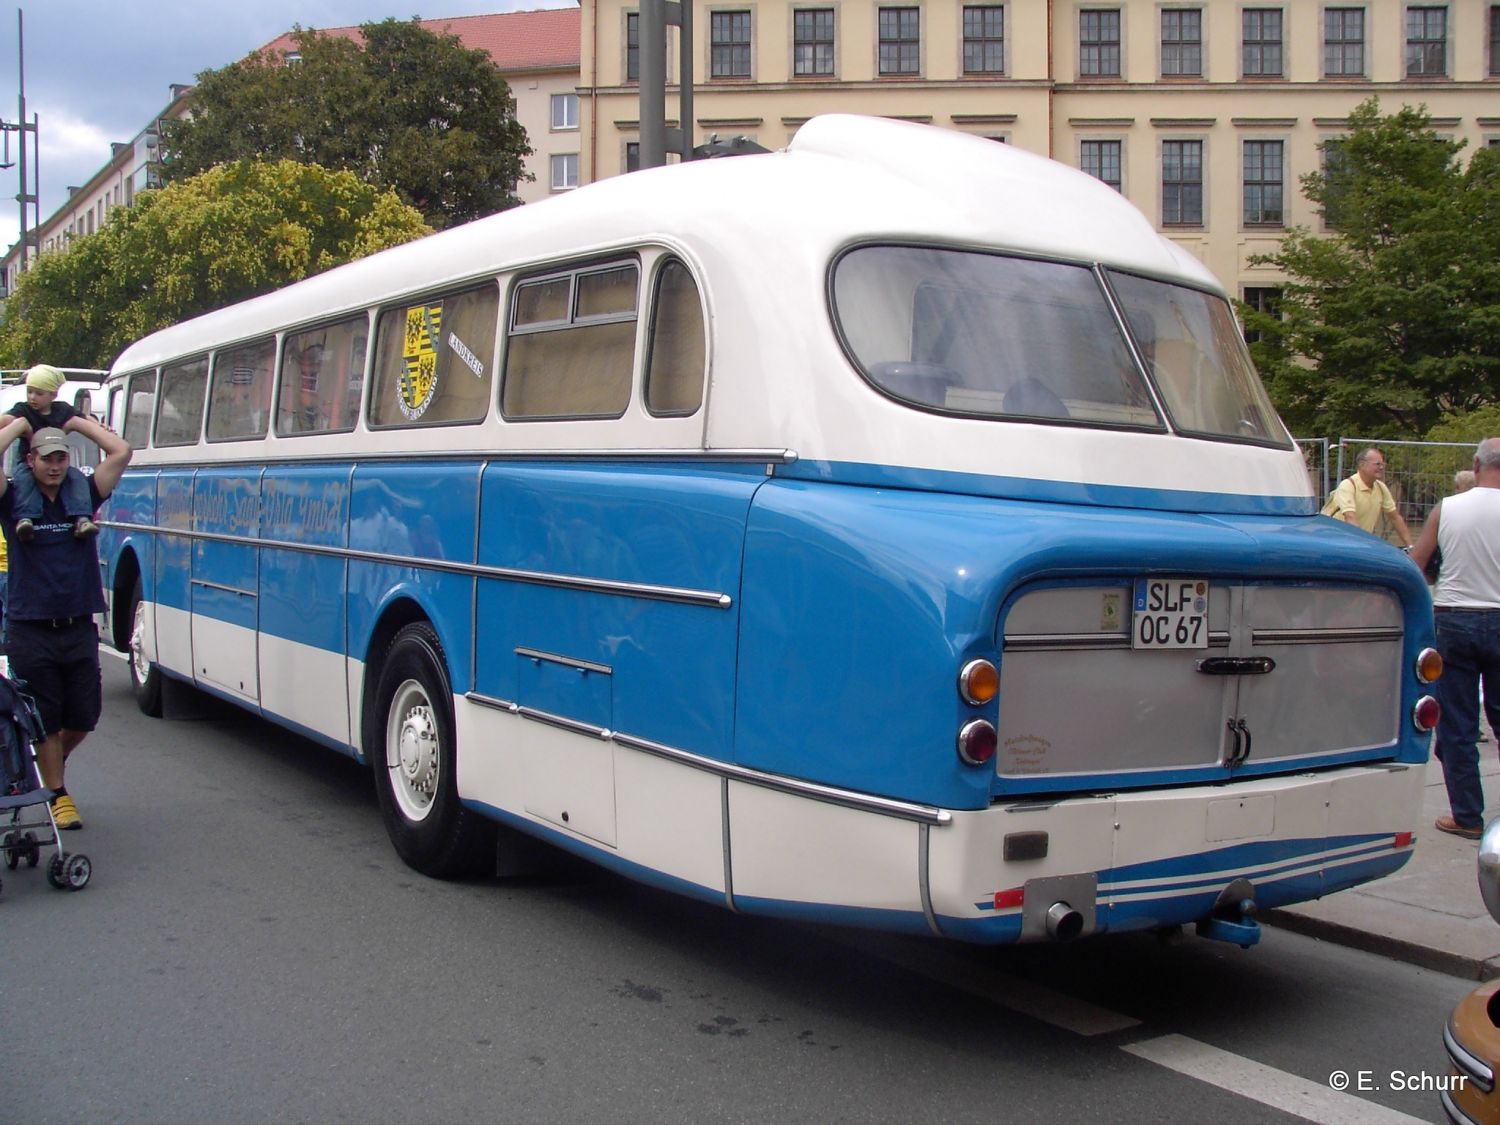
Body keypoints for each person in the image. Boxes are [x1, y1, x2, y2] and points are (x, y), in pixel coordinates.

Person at [0, 417, 132, 830]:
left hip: (77, 625)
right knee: (46, 718)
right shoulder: (11, 500)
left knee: (83, 717)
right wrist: (21, 422)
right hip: (30, 626)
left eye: (62, 458)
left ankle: (48, 762)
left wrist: (75, 422)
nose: (55, 466)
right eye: (47, 458)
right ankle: (58, 793)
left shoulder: (84, 494)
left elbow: (121, 452)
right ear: (31, 461)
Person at [1409, 438, 1500, 840]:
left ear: (1477, 464)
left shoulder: (1448, 508)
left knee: (1458, 725)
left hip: (1455, 617)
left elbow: (1418, 564)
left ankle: (1467, 816)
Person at [5, 364, 98, 541]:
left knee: (76, 477)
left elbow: (85, 418)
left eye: (39, 394)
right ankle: (25, 518)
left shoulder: (62, 410)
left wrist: (101, 426)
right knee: (23, 479)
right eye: (29, 392)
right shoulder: (23, 410)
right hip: (27, 463)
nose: (32, 397)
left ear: (53, 395)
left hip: (56, 458)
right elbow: (7, 419)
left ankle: (82, 518)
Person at [1323, 447, 1415, 550]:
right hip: (1336, 543)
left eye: (1382, 464)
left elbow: (1395, 518)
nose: (1381, 467)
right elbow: (1350, 517)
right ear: (1362, 464)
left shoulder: (1380, 488)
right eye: (1377, 464)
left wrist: (1410, 547)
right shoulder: (1348, 485)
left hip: (1359, 543)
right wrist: (1362, 545)